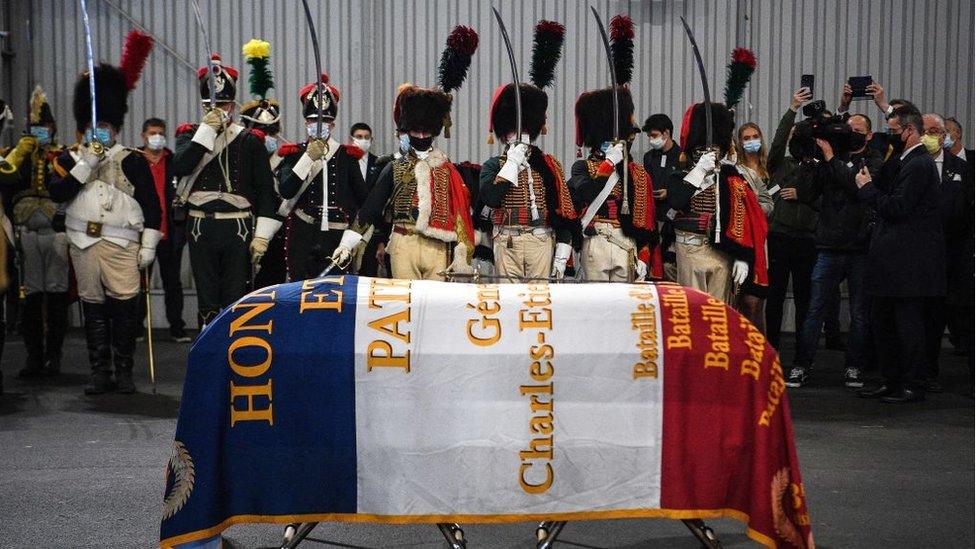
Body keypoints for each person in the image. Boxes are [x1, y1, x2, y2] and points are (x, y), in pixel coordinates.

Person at [49, 36, 160, 395]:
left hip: (122, 243)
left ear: (116, 127)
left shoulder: (132, 159)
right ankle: (101, 371)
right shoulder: (69, 159)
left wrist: (149, 245)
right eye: (97, 126)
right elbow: (57, 192)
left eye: (108, 127)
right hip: (83, 242)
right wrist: (87, 165)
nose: (103, 132)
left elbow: (152, 206)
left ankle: (125, 371)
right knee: (93, 308)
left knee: (124, 307)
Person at [332, 26, 479, 281]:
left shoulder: (447, 170)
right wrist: (347, 244)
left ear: (433, 132)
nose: (421, 137)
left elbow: (460, 214)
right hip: (402, 242)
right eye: (416, 132)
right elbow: (369, 209)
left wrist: (462, 255)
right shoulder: (395, 167)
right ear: (407, 131)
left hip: (437, 246)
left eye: (426, 133)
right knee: (405, 308)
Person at [171, 54, 277, 327]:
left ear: (232, 105)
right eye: (209, 104)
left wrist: (262, 236)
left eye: (222, 104)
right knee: (206, 295)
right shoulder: (189, 134)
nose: (216, 109)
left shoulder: (249, 140)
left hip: (237, 226)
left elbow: (265, 190)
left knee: (235, 295)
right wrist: (206, 132)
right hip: (200, 225)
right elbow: (181, 166)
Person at [855, 105, 944, 403]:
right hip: (891, 260)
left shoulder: (919, 165)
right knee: (883, 323)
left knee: (907, 325)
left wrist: (867, 189)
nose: (889, 137)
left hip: (907, 262)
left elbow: (897, 208)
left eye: (894, 132)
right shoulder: (904, 160)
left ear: (909, 131)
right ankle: (891, 379)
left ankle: (912, 382)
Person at [478, 20, 579, 283]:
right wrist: (511, 163)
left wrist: (562, 253)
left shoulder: (548, 164)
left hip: (541, 240)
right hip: (506, 238)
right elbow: (490, 197)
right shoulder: (493, 164)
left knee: (538, 304)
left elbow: (562, 209)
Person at [786, 109, 875, 389]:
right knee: (815, 309)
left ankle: (854, 366)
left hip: (859, 247)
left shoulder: (870, 160)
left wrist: (831, 159)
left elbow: (856, 188)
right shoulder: (827, 160)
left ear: (868, 135)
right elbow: (808, 193)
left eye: (858, 130)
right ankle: (801, 364)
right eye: (849, 128)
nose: (851, 133)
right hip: (828, 245)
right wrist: (811, 161)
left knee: (859, 313)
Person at [0, 86, 71, 376]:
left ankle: (54, 356)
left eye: (44, 127)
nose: (40, 131)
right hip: (26, 230)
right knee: (30, 295)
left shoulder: (65, 155)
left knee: (56, 295)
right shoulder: (17, 154)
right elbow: (9, 182)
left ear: (52, 128)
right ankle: (33, 356)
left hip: (56, 230)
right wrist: (22, 151)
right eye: (35, 128)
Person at [667, 102, 768, 304]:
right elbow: (676, 202)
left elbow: (744, 220)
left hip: (722, 252)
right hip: (689, 250)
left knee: (720, 313)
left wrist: (742, 255)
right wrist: (699, 172)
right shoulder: (680, 177)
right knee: (693, 311)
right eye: (701, 149)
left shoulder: (732, 178)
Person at [275, 75, 368, 281]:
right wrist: (308, 157)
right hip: (302, 234)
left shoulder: (346, 156)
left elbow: (364, 201)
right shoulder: (294, 153)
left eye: (325, 121)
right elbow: (286, 190)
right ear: (306, 122)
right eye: (313, 121)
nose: (318, 125)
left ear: (332, 124)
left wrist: (353, 240)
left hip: (336, 235)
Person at [764, 88, 819, 352]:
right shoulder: (780, 164)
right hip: (779, 236)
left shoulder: (818, 167)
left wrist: (803, 194)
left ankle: (802, 354)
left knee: (804, 298)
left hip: (807, 239)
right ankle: (771, 349)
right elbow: (777, 142)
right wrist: (792, 109)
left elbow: (824, 198)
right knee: (774, 296)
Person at [920, 113, 970, 392]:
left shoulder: (963, 168)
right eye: (926, 130)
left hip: (953, 254)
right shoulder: (913, 165)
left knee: (953, 316)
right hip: (921, 255)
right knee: (925, 318)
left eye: (936, 131)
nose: (931, 136)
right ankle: (923, 371)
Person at [241, 38, 288, 289]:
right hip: (245, 228)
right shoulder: (241, 157)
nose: (266, 137)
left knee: (274, 284)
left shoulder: (285, 157)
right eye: (261, 131)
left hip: (277, 231)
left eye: (271, 131)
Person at [136, 118, 189, 343]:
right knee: (137, 283)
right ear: (143, 135)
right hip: (140, 233)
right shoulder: (134, 160)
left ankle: (177, 328)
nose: (156, 136)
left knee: (172, 282)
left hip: (170, 233)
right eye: (152, 132)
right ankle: (136, 327)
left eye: (160, 132)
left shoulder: (173, 162)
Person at [733, 122, 774, 331]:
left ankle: (761, 351)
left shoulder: (766, 167)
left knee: (756, 303)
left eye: (754, 136)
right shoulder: (735, 170)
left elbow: (769, 203)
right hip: (738, 240)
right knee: (739, 301)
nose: (751, 141)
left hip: (763, 240)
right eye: (746, 138)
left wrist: (753, 208)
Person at [642, 113, 681, 281]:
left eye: (654, 136)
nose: (651, 139)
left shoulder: (681, 156)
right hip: (653, 217)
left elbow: (686, 186)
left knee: (669, 265)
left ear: (666, 133)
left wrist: (669, 193)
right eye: (649, 136)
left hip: (673, 219)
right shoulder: (649, 157)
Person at [348, 122, 385, 277]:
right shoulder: (344, 161)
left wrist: (381, 240)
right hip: (347, 226)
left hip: (370, 230)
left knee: (368, 275)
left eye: (366, 137)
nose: (363, 140)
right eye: (359, 137)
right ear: (351, 139)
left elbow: (383, 203)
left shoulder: (380, 164)